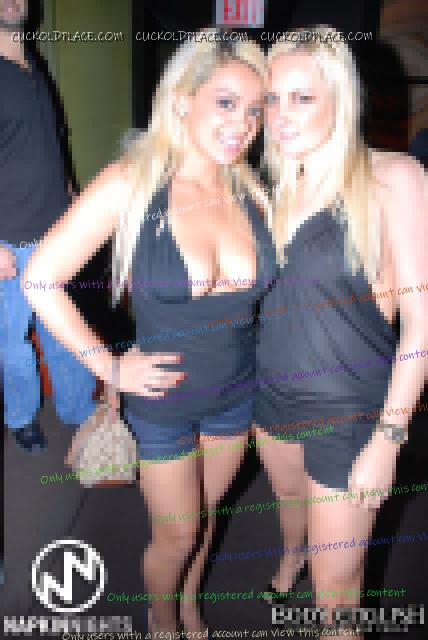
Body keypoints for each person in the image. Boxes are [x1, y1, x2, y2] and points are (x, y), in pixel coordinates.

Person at [24, 30, 276, 631]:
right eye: (225, 103)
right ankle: (163, 622)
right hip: (163, 400)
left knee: (207, 516)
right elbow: (40, 278)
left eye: (254, 110)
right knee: (176, 533)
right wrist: (108, 366)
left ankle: (189, 605)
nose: (242, 124)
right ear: (183, 99)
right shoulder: (133, 181)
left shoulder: (250, 189)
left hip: (237, 394)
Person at [254, 26, 427, 638]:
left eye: (302, 97)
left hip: (349, 409)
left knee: (337, 598)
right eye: (272, 99)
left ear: (341, 98)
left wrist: (389, 437)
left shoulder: (392, 176)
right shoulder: (273, 187)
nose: (281, 115)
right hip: (270, 395)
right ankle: (289, 558)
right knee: (289, 507)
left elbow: (421, 322)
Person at [0, 0, 96, 452]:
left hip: (55, 233)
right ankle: (20, 416)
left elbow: (54, 141)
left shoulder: (34, 66)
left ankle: (78, 409)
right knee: (12, 339)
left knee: (63, 327)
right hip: (10, 237)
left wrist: (72, 198)